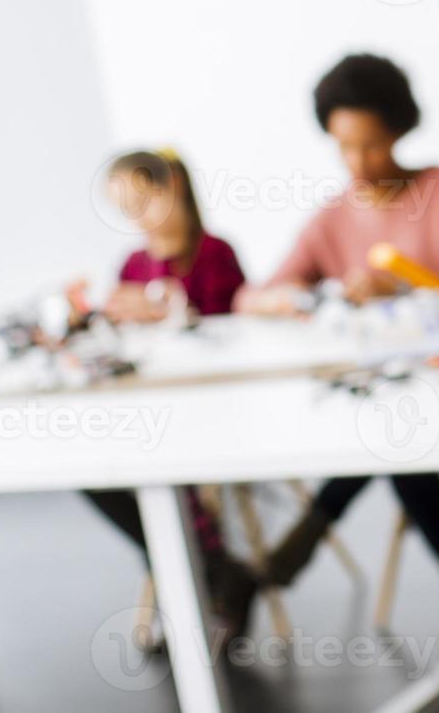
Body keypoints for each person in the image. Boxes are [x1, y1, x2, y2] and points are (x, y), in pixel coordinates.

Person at [234, 54, 439, 639]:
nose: (358, 163)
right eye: (344, 147)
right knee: (387, 439)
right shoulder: (333, 217)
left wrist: (403, 286)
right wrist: (312, 295)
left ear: (399, 129)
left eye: (372, 145)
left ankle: (305, 543)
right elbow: (254, 297)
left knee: (393, 445)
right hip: (389, 401)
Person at [80, 149, 256, 643]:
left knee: (165, 462)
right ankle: (210, 567)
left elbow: (238, 333)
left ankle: (198, 572)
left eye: (143, 199)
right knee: (98, 470)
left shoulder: (215, 254)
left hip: (213, 406)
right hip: (151, 405)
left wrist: (173, 311)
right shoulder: (132, 264)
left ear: (172, 188)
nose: (137, 216)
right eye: (124, 207)